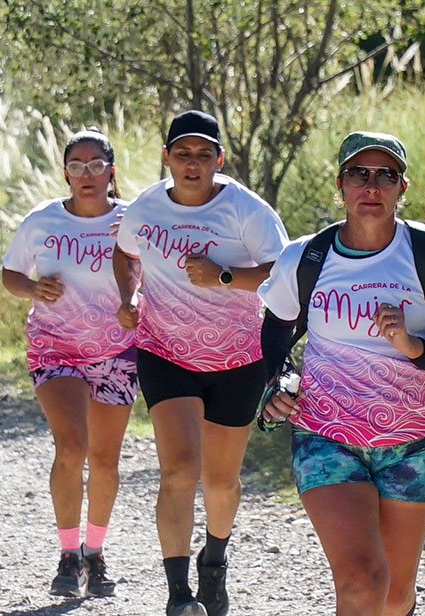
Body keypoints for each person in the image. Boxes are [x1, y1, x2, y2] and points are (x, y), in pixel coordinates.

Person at [257, 131, 425, 616]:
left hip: (413, 443)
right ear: (340, 184)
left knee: (396, 595)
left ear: (403, 187)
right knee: (362, 580)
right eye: (359, 174)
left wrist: (411, 345)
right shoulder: (306, 258)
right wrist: (278, 383)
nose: (372, 185)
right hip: (326, 435)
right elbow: (275, 333)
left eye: (386, 175)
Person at [113, 110, 288, 616]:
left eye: (204, 155)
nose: (193, 164)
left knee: (220, 480)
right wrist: (129, 297)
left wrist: (224, 277)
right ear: (166, 157)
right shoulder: (145, 209)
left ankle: (214, 564)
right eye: (183, 154)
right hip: (164, 351)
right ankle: (178, 595)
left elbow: (283, 273)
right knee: (179, 471)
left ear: (220, 159)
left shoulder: (246, 211)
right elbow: (124, 254)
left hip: (238, 357)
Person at [2, 128, 136, 599]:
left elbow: (156, 275)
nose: (86, 174)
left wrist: (134, 302)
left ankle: (95, 553)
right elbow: (10, 274)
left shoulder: (131, 221)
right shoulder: (42, 220)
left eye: (96, 164)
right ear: (65, 172)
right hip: (55, 346)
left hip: (117, 352)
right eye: (76, 165)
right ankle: (67, 554)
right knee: (72, 445)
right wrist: (34, 289)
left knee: (104, 458)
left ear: (111, 171)